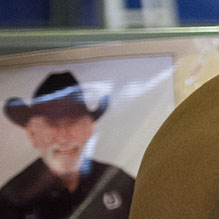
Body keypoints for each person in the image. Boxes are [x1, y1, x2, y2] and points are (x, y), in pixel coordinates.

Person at [1, 71, 134, 219]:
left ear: (89, 128)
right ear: (33, 135)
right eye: (51, 124)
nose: (64, 138)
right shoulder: (11, 199)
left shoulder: (120, 183)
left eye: (73, 123)